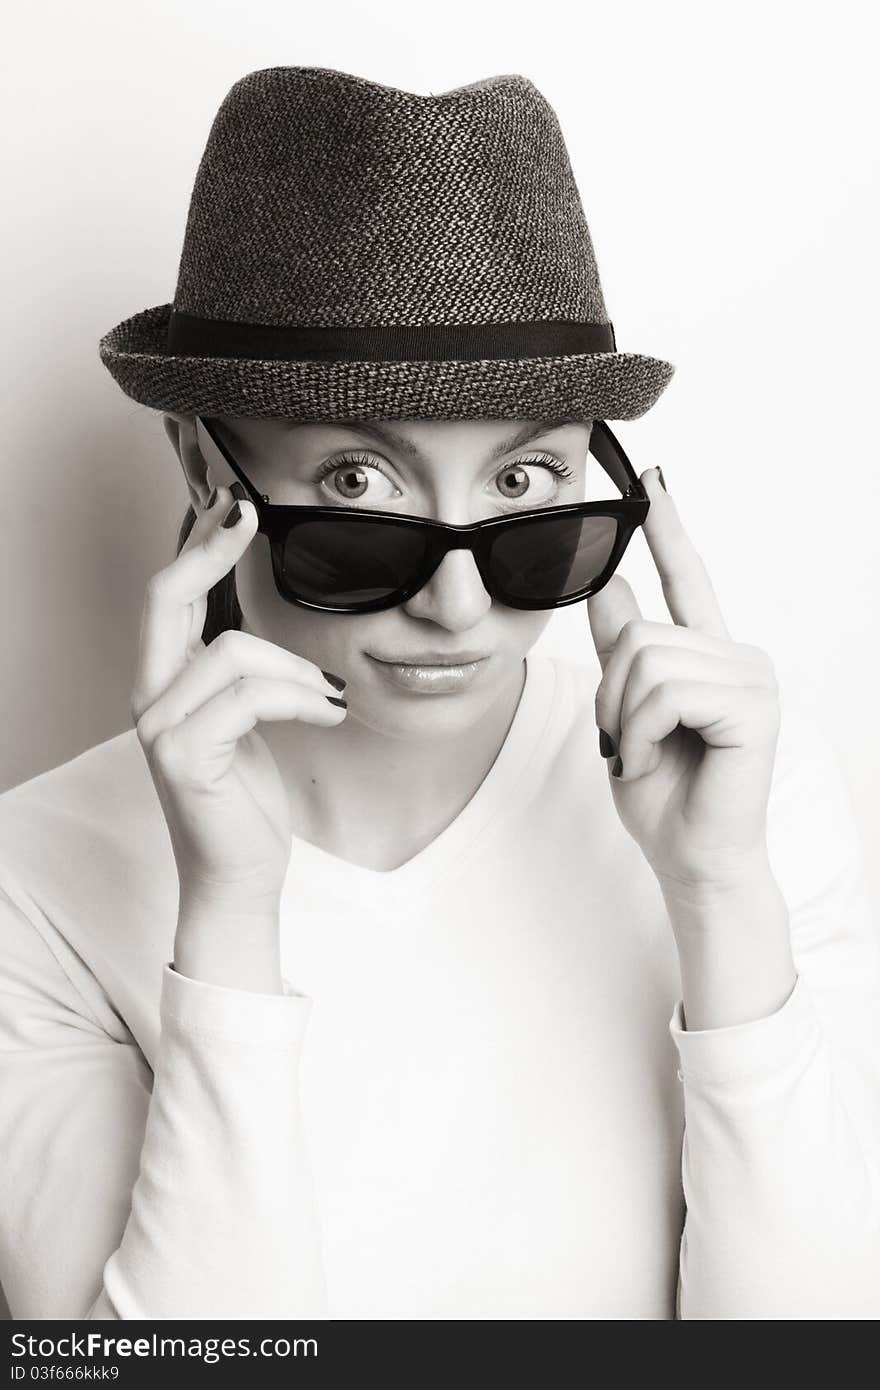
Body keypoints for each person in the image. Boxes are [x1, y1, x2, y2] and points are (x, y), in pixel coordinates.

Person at [1, 65, 879, 1322]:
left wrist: (718, 895)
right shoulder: (31, 892)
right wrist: (230, 919)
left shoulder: (742, 792)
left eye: (526, 488)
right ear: (203, 463)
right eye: (360, 485)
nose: (460, 606)